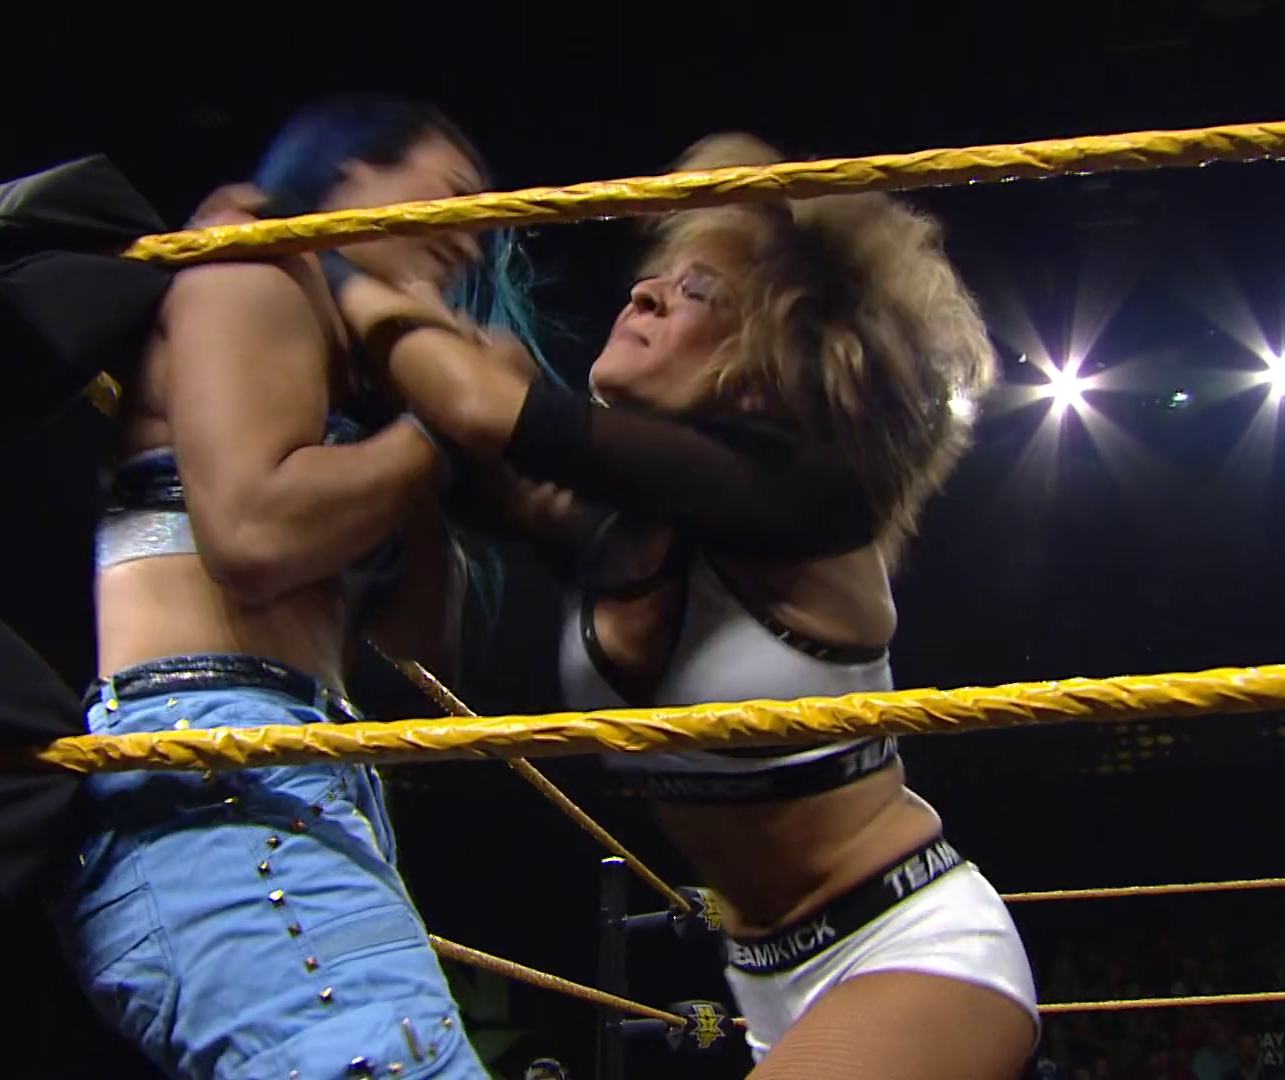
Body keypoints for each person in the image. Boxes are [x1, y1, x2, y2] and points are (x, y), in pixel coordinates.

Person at [329, 134, 1037, 1078]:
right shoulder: (610, 525)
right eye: (655, 279)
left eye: (697, 290)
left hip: (912, 947)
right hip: (760, 979)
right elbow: (457, 448)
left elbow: (486, 409)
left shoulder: (811, 497)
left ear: (769, 356)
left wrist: (329, 258)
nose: (645, 294)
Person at [55, 96, 536, 1080]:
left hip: (286, 767)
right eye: (453, 194)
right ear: (348, 176)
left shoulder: (334, 365)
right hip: (216, 763)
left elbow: (420, 652)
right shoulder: (252, 267)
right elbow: (254, 534)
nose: (472, 236)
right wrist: (444, 423)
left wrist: (421, 416)